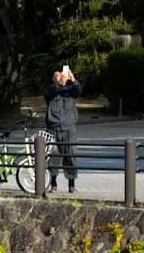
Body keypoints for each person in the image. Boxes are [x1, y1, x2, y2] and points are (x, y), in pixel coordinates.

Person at [45, 64, 81, 192]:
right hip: (53, 127)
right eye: (56, 76)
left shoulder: (70, 90)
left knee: (70, 156)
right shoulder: (50, 90)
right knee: (53, 157)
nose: (60, 76)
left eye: (60, 74)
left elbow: (78, 90)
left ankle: (71, 185)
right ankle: (53, 184)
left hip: (68, 127)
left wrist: (73, 79)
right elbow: (52, 91)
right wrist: (60, 82)